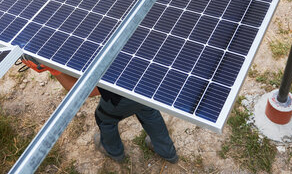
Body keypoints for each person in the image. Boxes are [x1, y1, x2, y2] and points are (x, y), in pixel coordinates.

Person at [20, 55, 178, 164]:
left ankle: (113, 151)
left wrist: (54, 70)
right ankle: (168, 152)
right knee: (149, 112)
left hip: (122, 95)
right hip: (149, 85)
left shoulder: (101, 58)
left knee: (105, 118)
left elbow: (89, 91)